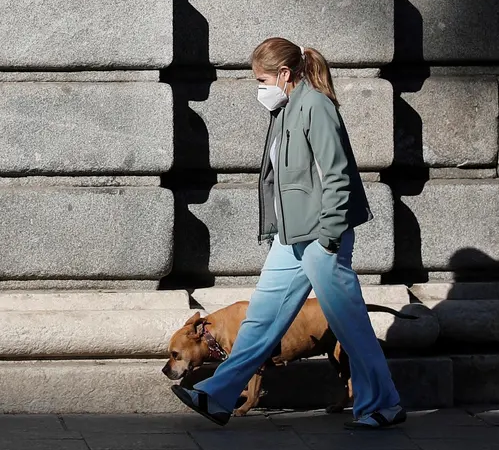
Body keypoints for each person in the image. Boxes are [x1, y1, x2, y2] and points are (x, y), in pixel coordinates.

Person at [172, 36, 406, 429]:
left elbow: (337, 174)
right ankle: (217, 396)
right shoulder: (285, 112)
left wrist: (330, 235)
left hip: (321, 236)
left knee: (349, 325)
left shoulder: (316, 106)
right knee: (261, 318)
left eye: (262, 80)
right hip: (292, 235)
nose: (260, 89)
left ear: (284, 74)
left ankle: (384, 404)